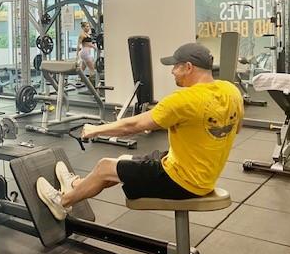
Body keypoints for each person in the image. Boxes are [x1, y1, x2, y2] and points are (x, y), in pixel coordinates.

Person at [36, 42, 244, 220]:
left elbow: (131, 126)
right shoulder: (231, 91)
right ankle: (76, 184)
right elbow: (236, 129)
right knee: (126, 159)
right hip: (202, 176)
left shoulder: (184, 100)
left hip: (181, 182)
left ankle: (62, 202)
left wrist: (96, 130)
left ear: (188, 67)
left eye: (175, 67)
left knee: (104, 167)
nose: (172, 71)